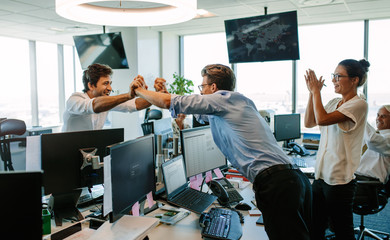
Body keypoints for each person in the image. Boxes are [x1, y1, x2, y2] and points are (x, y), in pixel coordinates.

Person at [131, 64, 312, 240]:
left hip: (277, 184)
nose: (201, 91)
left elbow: (169, 102)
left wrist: (138, 90)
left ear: (213, 87)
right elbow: (178, 105)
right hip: (291, 180)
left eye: (202, 86)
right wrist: (164, 93)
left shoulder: (223, 100)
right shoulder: (230, 105)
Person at [304, 59, 370, 240]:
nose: (333, 80)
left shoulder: (359, 104)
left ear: (354, 80)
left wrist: (317, 91)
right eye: (333, 76)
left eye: (338, 76)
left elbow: (323, 119)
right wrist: (312, 93)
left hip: (339, 180)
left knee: (342, 231)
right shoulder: (334, 102)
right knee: (315, 227)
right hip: (321, 176)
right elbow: (310, 122)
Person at [62, 63, 165, 132]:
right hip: (65, 156)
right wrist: (128, 95)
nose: (110, 88)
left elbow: (135, 104)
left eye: (110, 83)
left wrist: (157, 95)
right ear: (91, 85)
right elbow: (94, 105)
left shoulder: (106, 102)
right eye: (106, 83)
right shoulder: (74, 100)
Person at [355, 105, 390, 184]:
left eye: (383, 116)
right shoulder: (375, 134)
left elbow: (372, 140)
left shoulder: (386, 138)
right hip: (356, 177)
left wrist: (360, 117)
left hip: (369, 182)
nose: (378, 119)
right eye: (378, 115)